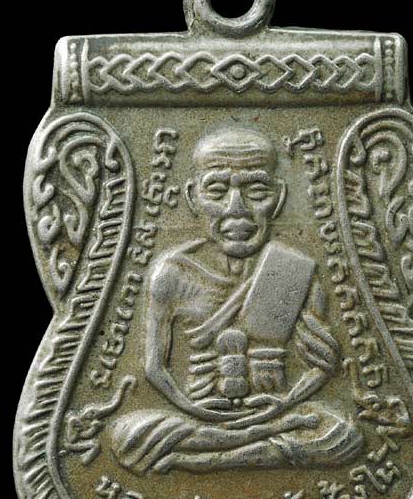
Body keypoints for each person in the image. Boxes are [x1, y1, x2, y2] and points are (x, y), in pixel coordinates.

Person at [110, 127, 362, 473]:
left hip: (274, 409)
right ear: (193, 196)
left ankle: (205, 458)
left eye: (256, 190)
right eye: (216, 190)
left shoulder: (293, 269)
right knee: (128, 434)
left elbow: (320, 366)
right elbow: (154, 367)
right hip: (198, 413)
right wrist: (194, 409)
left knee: (344, 435)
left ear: (278, 197)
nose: (236, 209)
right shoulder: (173, 272)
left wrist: (285, 403)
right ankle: (249, 443)